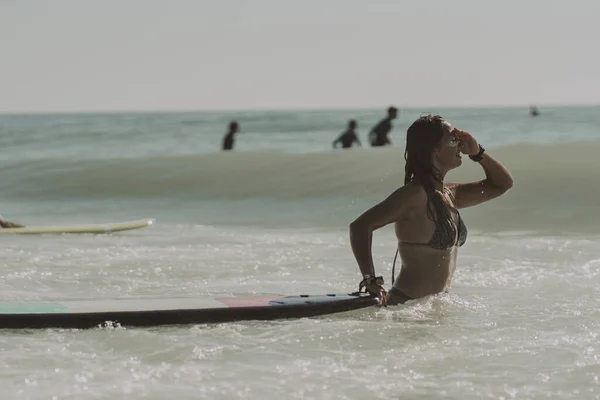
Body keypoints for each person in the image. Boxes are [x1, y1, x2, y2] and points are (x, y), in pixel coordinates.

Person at [349, 114, 514, 305]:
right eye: (453, 139)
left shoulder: (449, 194)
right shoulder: (415, 195)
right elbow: (360, 226)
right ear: (435, 149)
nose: (460, 145)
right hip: (405, 307)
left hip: (432, 311)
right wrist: (370, 280)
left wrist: (477, 152)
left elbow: (503, 183)